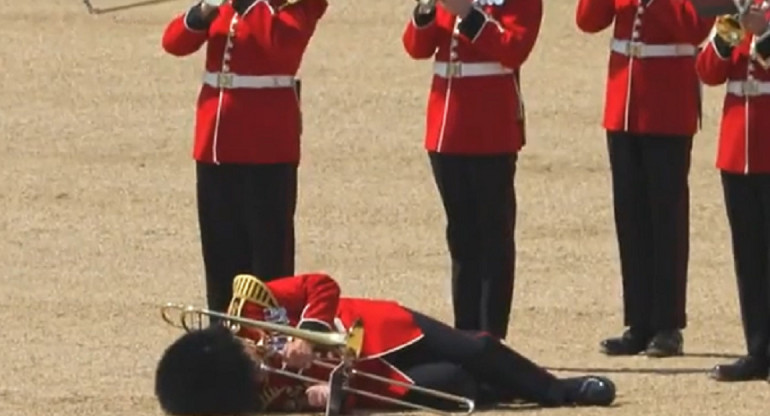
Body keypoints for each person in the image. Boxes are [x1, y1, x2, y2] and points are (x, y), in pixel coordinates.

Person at [154, 273, 617, 414]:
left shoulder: (250, 305)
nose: (260, 369)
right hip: (371, 376)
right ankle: (509, 390)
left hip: (377, 326)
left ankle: (561, 391)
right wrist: (327, 400)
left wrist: (311, 336)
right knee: (459, 386)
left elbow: (320, 285)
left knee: (475, 349)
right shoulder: (262, 398)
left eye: (249, 362)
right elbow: (321, 404)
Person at [160, 0, 328, 313]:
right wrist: (204, 10)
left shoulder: (296, 5)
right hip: (215, 143)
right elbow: (174, 42)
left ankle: (269, 341)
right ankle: (223, 337)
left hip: (266, 147)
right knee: (220, 252)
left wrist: (248, 4)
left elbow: (279, 48)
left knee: (268, 257)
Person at [576, 0, 715, 357]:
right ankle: (638, 321)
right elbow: (588, 21)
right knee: (631, 216)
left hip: (667, 102)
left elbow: (695, 28)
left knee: (666, 217)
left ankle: (668, 324)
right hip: (624, 101)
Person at [400, 0, 543, 340]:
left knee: (493, 237)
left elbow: (513, 50)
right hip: (445, 130)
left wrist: (467, 15)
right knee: (461, 237)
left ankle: (491, 336)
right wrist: (425, 11)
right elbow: (417, 48)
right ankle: (464, 334)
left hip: (490, 129)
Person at [695, 2, 770, 382]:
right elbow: (708, 71)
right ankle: (758, 350)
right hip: (738, 148)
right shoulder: (743, 9)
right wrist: (731, 33)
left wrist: (765, 36)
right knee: (750, 258)